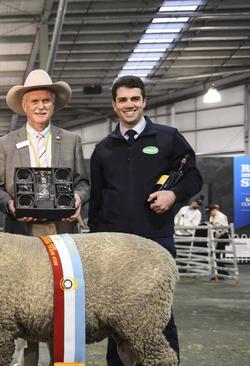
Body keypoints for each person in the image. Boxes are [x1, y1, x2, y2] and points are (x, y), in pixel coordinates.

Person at [88, 75, 203, 365]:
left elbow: (193, 176)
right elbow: (97, 200)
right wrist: (94, 243)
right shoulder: (103, 148)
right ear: (114, 105)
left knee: (159, 314)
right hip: (114, 248)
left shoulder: (168, 137)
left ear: (144, 101)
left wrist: (173, 195)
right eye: (123, 100)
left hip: (156, 241)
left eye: (135, 98)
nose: (130, 105)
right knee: (114, 316)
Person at [0, 69, 89, 366]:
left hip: (62, 232)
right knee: (24, 303)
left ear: (54, 105)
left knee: (63, 297)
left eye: (46, 100)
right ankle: (27, 361)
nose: (41, 106)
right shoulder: (5, 144)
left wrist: (79, 197)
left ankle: (64, 358)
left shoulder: (71, 140)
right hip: (22, 235)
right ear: (24, 106)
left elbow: (83, 182)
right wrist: (10, 205)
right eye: (35, 101)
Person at [207, 204, 230, 276]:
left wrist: (220, 233)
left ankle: (222, 272)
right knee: (214, 254)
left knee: (217, 254)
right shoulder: (211, 216)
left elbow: (226, 227)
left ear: (214, 210)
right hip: (215, 235)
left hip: (223, 235)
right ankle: (221, 272)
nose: (209, 214)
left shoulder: (222, 216)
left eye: (210, 212)